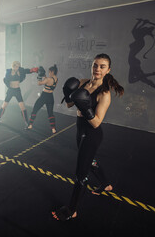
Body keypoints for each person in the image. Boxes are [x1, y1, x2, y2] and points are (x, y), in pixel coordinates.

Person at [52, 53, 124, 221]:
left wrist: (85, 107)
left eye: (102, 66)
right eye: (95, 65)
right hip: (80, 129)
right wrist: (67, 91)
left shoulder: (104, 94)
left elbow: (97, 122)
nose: (97, 69)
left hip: (92, 134)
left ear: (108, 70)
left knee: (81, 173)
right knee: (89, 161)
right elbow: (71, 104)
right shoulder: (83, 82)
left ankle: (72, 209)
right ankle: (106, 185)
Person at [0, 61, 38, 126]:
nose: (17, 68)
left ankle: (26, 122)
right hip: (10, 90)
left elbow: (26, 71)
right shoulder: (9, 71)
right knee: (4, 105)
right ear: (13, 66)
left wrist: (32, 70)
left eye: (18, 66)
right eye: (16, 66)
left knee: (22, 106)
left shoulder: (20, 70)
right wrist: (5, 81)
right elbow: (6, 79)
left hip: (17, 90)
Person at [26, 64, 58, 134]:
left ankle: (30, 125)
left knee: (35, 109)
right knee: (50, 113)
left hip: (44, 96)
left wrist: (39, 76)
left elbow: (39, 83)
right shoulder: (56, 79)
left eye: (49, 72)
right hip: (50, 97)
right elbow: (48, 81)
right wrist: (44, 76)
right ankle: (53, 129)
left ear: (52, 72)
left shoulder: (48, 79)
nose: (49, 73)